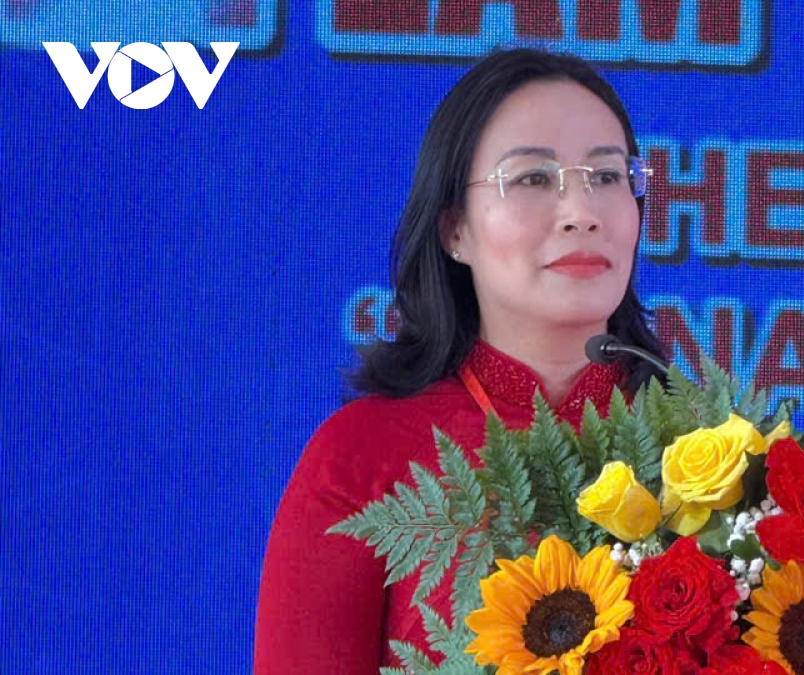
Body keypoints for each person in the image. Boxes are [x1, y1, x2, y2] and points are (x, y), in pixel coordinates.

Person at [252, 48, 666, 673]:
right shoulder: (361, 458)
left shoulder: (712, 451)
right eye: (532, 178)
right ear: (455, 230)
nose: (582, 213)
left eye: (606, 176)